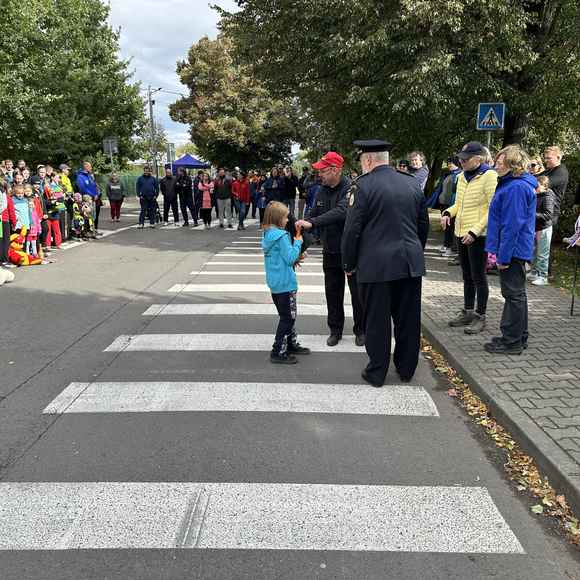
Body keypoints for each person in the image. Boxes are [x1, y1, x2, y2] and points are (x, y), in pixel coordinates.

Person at [342, 140, 429, 387]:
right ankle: (406, 369)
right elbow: (422, 224)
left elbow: (352, 230)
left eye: (362, 161)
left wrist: (348, 263)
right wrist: (415, 251)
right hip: (409, 263)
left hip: (376, 265)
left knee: (377, 321)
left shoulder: (362, 186)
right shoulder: (412, 183)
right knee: (408, 319)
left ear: (368, 160)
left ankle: (377, 372)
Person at [296, 151, 365, 347]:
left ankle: (361, 330)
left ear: (335, 170)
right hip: (330, 249)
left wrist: (313, 222)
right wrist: (301, 233)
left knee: (357, 293)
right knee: (332, 292)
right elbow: (312, 214)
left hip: (351, 250)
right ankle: (335, 330)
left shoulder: (352, 188)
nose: (320, 175)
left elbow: (342, 212)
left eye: (323, 171)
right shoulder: (321, 190)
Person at [441, 141, 498, 334]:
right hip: (461, 232)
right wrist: (448, 212)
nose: (462, 161)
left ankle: (480, 316)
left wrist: (475, 231)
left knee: (478, 276)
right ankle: (468, 311)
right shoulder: (461, 176)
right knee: (467, 275)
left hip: (477, 235)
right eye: (461, 158)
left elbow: (492, 208)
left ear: (478, 159)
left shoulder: (489, 176)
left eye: (466, 159)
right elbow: (459, 204)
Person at [484, 146, 536, 355]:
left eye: (500, 163)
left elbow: (512, 225)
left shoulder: (515, 187)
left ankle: (512, 342)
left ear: (513, 165)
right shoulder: (514, 184)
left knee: (513, 295)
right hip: (516, 248)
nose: (495, 166)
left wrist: (503, 257)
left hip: (513, 250)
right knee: (517, 295)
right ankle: (518, 336)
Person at [262, 201, 310, 364]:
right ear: (277, 219)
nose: (287, 220)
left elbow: (280, 257)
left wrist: (295, 255)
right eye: (285, 217)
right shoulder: (281, 236)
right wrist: (298, 242)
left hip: (275, 283)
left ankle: (290, 343)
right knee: (288, 318)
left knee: (287, 316)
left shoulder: (267, 234)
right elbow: (289, 258)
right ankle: (278, 351)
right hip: (286, 283)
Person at [528, 175, 555, 286]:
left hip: (544, 228)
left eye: (537, 186)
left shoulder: (548, 196)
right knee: (534, 252)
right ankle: (534, 272)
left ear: (544, 186)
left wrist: (532, 214)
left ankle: (543, 276)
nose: (535, 188)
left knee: (542, 253)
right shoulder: (537, 195)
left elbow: (548, 214)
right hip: (536, 227)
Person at [438, 157, 461, 257]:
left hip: (452, 205)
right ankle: (447, 245)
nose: (449, 165)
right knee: (446, 226)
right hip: (445, 203)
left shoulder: (459, 174)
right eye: (448, 163)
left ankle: (452, 248)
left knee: (451, 226)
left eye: (451, 163)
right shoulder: (448, 174)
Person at [540, 146, 568, 226]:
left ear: (558, 157)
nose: (545, 160)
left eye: (548, 158)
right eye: (545, 158)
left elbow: (542, 185)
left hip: (549, 215)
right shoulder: (549, 170)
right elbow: (534, 178)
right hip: (542, 212)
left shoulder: (561, 172)